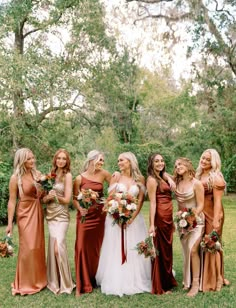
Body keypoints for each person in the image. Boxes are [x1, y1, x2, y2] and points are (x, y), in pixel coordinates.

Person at [96, 152, 151, 297]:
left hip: (134, 220)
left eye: (122, 160)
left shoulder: (140, 179)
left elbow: (139, 200)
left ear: (130, 161)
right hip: (115, 220)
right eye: (118, 160)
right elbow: (110, 198)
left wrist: (132, 217)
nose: (119, 162)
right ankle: (117, 278)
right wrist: (116, 214)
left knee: (133, 247)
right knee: (115, 247)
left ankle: (134, 278)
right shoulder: (116, 176)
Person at [6, 148, 47, 295]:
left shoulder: (37, 174)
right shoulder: (14, 178)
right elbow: (12, 201)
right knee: (27, 247)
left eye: (33, 158)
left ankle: (39, 279)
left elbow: (43, 195)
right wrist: (10, 223)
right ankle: (25, 282)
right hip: (24, 211)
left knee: (37, 246)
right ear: (22, 160)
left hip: (37, 210)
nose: (33, 161)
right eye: (29, 159)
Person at [73, 150, 111, 296]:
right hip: (85, 216)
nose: (101, 163)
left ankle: (93, 278)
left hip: (99, 216)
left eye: (102, 161)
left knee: (95, 249)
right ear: (91, 160)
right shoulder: (79, 178)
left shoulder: (104, 174)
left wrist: (108, 203)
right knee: (81, 247)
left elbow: (114, 187)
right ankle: (82, 283)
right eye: (99, 160)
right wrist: (80, 208)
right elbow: (75, 198)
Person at [196, 149, 230, 291]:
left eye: (208, 159)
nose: (204, 161)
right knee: (201, 245)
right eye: (203, 158)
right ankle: (204, 276)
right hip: (200, 214)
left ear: (214, 162)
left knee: (212, 245)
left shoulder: (216, 177)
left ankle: (216, 279)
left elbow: (217, 202)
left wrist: (216, 220)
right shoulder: (198, 175)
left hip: (213, 214)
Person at [42, 149, 75, 294]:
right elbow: (43, 199)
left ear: (67, 161)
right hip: (50, 214)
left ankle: (66, 283)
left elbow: (68, 200)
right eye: (58, 158)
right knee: (52, 247)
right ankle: (54, 281)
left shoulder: (68, 176)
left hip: (61, 215)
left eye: (64, 159)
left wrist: (55, 197)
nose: (61, 161)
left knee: (58, 246)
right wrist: (48, 198)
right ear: (55, 160)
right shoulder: (50, 175)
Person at [147, 153, 177, 295]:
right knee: (160, 249)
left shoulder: (163, 176)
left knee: (167, 249)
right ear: (151, 164)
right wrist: (152, 224)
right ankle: (161, 285)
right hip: (160, 216)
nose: (160, 163)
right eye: (156, 161)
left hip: (168, 217)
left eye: (162, 160)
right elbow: (152, 203)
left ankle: (167, 280)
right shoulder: (152, 180)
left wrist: (168, 178)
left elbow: (178, 176)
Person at [174, 157, 205, 297]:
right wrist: (182, 219)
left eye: (180, 164)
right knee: (186, 252)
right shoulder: (177, 183)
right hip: (182, 222)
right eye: (175, 165)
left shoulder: (196, 183)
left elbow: (201, 205)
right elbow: (180, 205)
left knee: (193, 250)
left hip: (197, 220)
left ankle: (196, 284)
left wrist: (192, 217)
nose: (177, 166)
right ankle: (187, 281)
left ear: (187, 165)